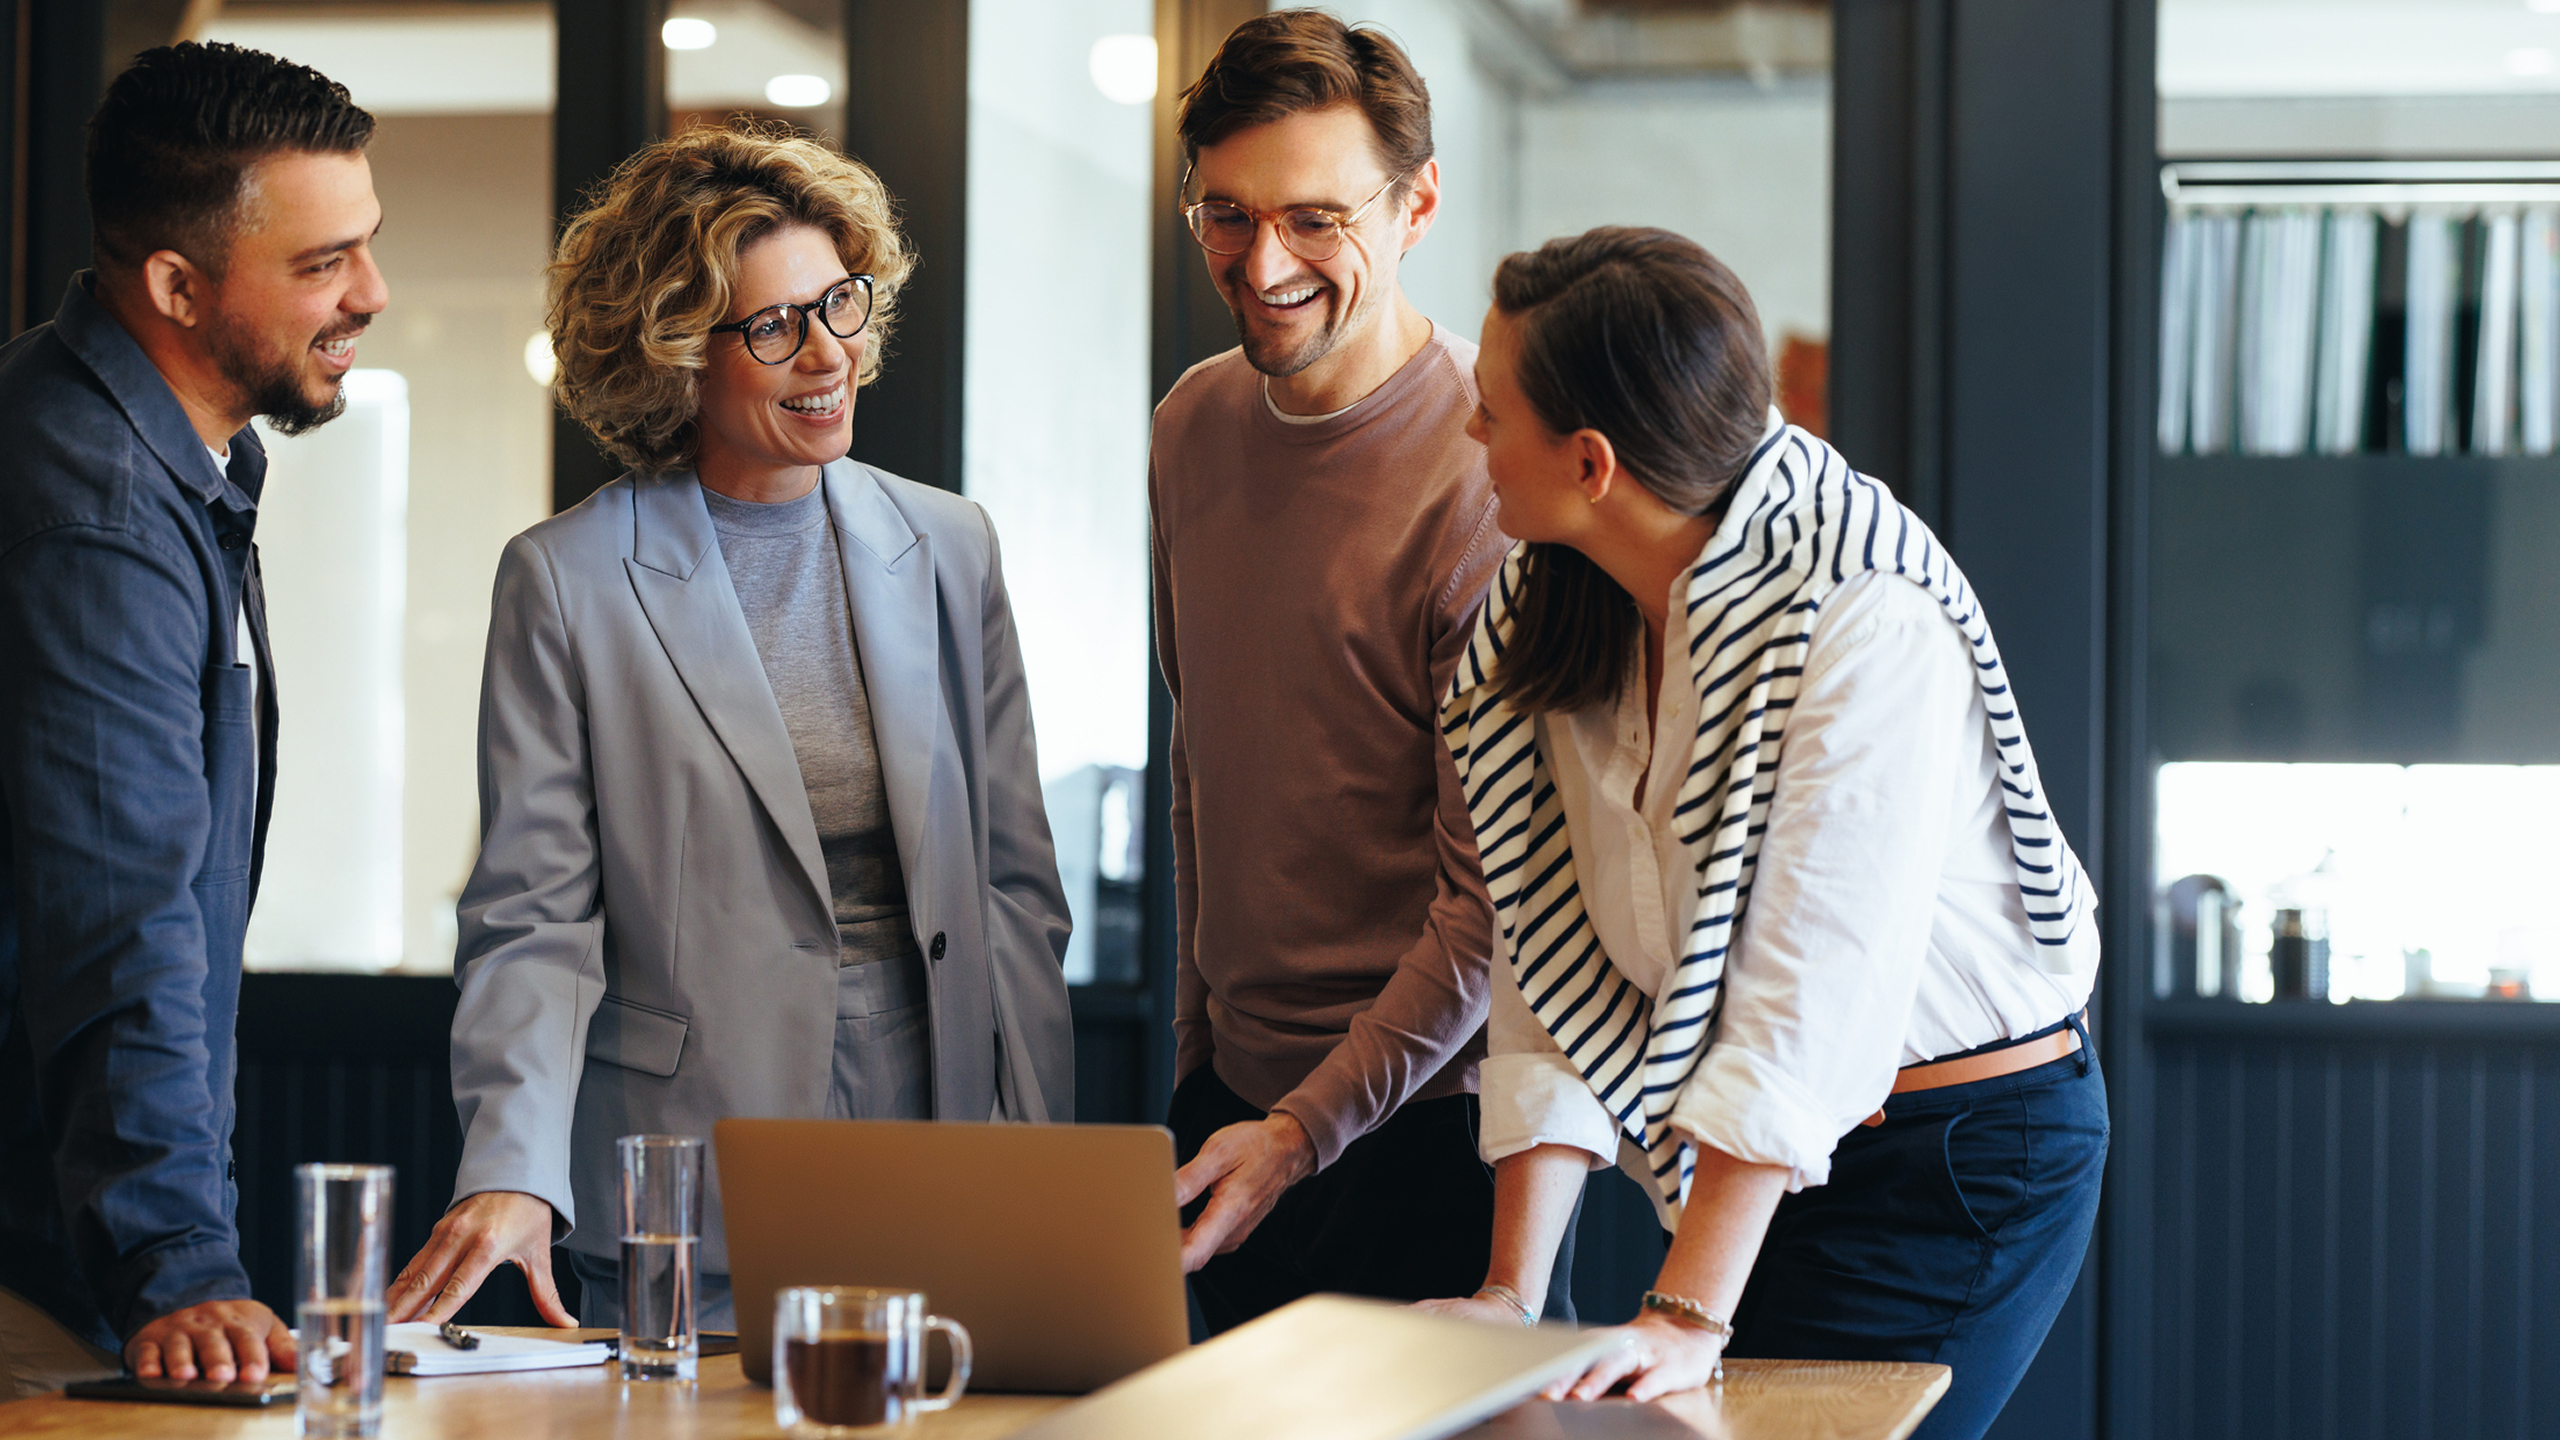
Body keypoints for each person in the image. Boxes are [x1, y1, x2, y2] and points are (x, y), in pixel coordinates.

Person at [387, 123, 1074, 1330]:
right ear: (674, 356)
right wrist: (511, 1166)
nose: (828, 354)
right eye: (772, 326)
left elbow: (1016, 889)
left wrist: (1039, 1157)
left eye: (840, 304)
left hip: (941, 1129)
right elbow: (531, 918)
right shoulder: (568, 579)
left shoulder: (949, 544)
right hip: (687, 1154)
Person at [1424, 227, 2106, 1440]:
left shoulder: (1864, 615)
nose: (1468, 436)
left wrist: (1685, 1311)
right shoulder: (1560, 593)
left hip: (1953, 1161)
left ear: (1590, 462)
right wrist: (1510, 1294)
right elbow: (1545, 938)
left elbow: (1812, 998)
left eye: (1489, 411)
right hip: (1768, 1161)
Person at [1153, 11, 1558, 1334]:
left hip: (1426, 1129)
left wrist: (1303, 1127)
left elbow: (1491, 900)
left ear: (1418, 203)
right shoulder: (1192, 423)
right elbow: (1201, 767)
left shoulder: (1488, 475)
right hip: (1227, 1116)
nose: (1262, 263)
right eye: (1225, 213)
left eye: (1315, 219)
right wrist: (1199, 1065)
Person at [0, 43, 386, 1397]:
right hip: (42, 1265)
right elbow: (123, 908)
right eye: (322, 263)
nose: (371, 295)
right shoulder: (97, 508)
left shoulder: (160, 458)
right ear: (175, 283)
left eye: (369, 247)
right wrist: (176, 1259)